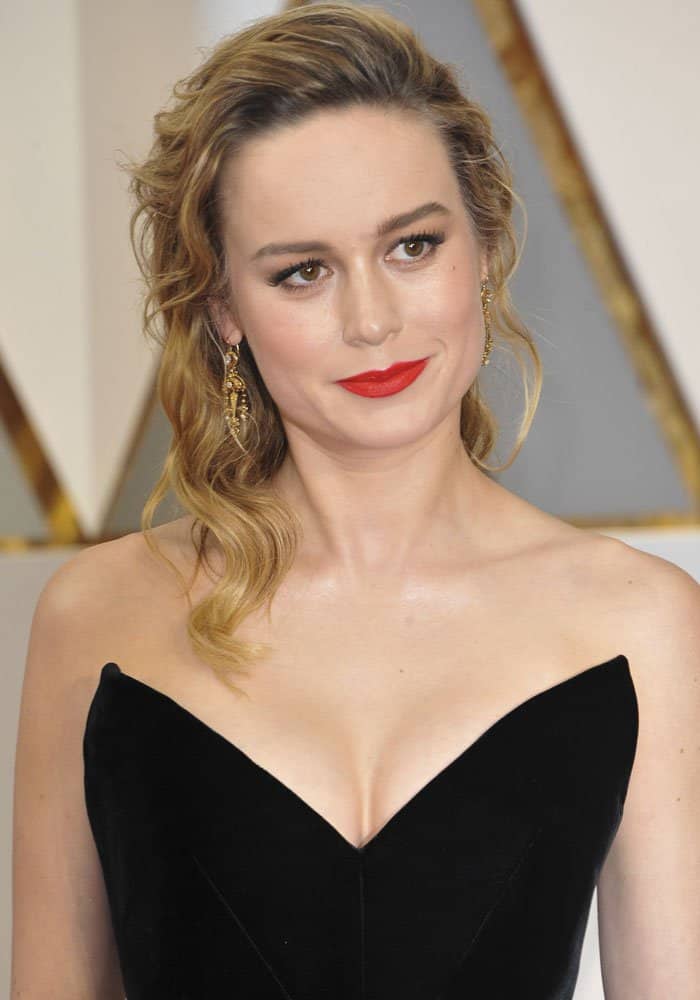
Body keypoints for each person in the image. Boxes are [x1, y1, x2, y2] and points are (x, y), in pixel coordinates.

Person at [12, 2, 699, 997]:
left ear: (482, 246)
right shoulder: (97, 615)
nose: (372, 320)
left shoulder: (638, 620)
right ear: (224, 309)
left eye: (411, 246)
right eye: (302, 272)